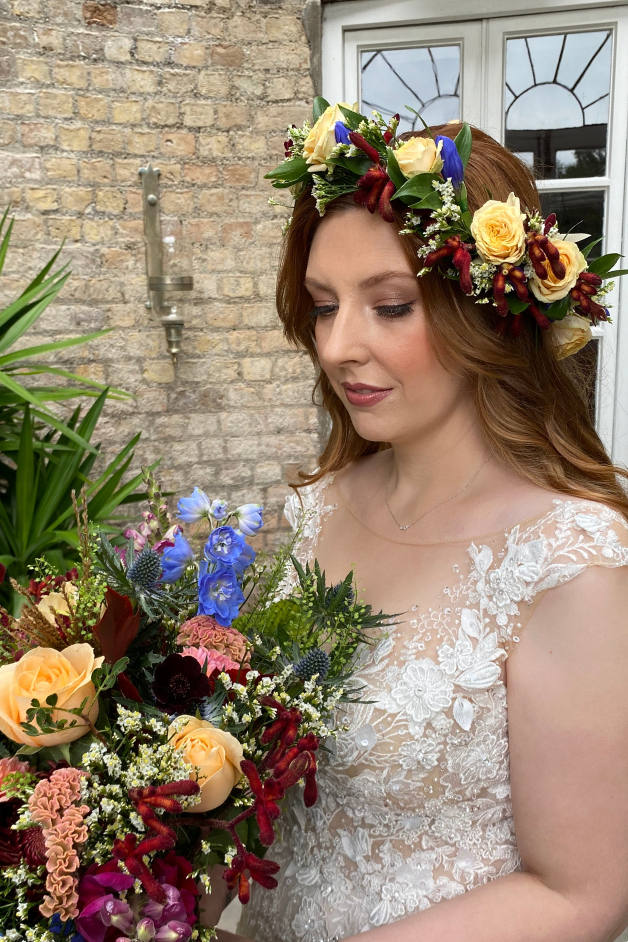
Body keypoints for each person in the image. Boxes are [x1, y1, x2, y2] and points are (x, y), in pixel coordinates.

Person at [223, 113, 628, 942]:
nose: (339, 346)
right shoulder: (320, 508)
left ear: (487, 311)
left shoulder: (567, 560)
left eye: (392, 305)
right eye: (324, 306)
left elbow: (580, 895)